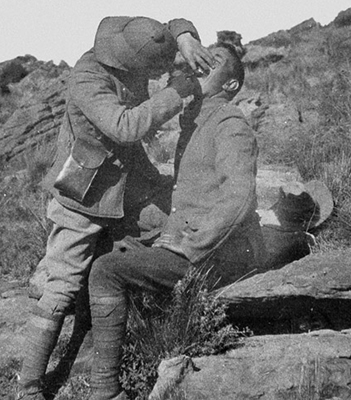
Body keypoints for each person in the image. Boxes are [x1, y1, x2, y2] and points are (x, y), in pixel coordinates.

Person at [17, 16, 216, 400]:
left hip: (130, 186)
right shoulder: (86, 78)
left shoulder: (130, 42)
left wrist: (187, 37)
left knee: (179, 226)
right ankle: (27, 386)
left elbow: (169, 26)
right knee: (62, 286)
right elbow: (124, 127)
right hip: (84, 197)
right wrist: (176, 92)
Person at [86, 42, 265, 400]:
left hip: (218, 254)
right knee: (109, 246)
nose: (197, 69)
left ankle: (104, 391)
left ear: (230, 85)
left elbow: (239, 198)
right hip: (201, 243)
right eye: (195, 63)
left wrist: (188, 245)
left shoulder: (229, 124)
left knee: (106, 270)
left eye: (209, 65)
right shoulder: (197, 121)